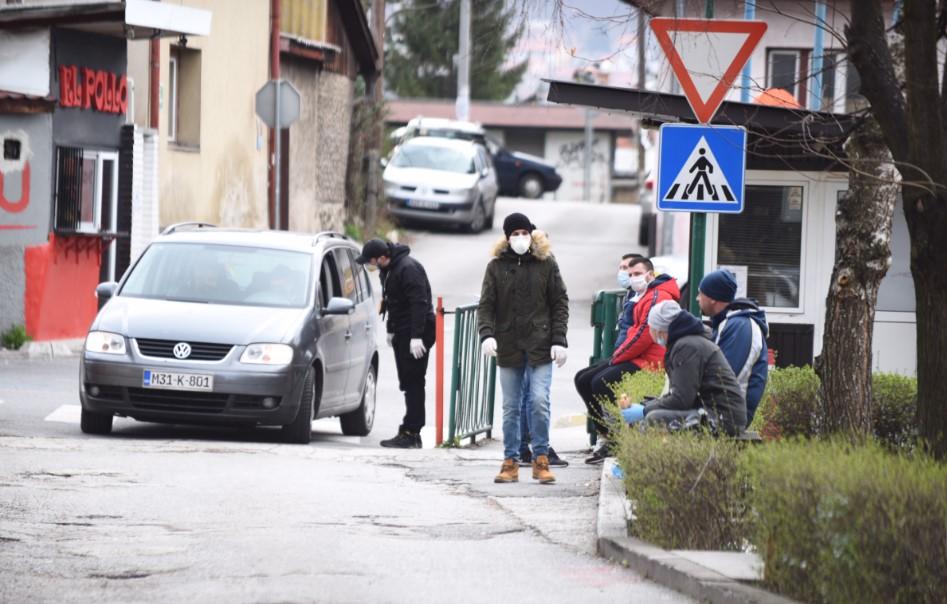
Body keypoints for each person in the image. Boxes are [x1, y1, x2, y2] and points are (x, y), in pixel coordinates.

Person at [479, 213, 569, 484]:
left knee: (539, 401)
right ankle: (510, 461)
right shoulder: (496, 267)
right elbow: (486, 305)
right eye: (514, 234)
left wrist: (559, 339)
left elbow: (560, 302)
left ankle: (541, 458)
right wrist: (487, 334)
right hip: (508, 345)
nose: (520, 238)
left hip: (541, 345)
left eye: (524, 233)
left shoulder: (546, 264)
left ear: (532, 234)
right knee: (511, 406)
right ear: (507, 238)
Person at [579, 256, 680, 464]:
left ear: (651, 275)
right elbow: (634, 331)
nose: (633, 278)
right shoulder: (642, 295)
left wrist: (617, 357)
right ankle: (608, 435)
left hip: (649, 361)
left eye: (637, 274)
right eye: (630, 274)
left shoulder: (657, 296)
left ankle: (616, 440)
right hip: (637, 356)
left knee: (600, 383)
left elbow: (641, 335)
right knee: (583, 379)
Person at [622, 300, 746, 436]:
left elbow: (681, 399)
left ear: (660, 330)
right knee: (652, 411)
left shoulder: (686, 347)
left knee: (653, 419)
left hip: (721, 419)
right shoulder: (687, 343)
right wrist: (647, 406)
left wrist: (644, 411)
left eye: (650, 328)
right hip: (718, 414)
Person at [356, 239, 436, 448]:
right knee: (407, 381)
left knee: (414, 382)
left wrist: (417, 336)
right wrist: (391, 329)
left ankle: (411, 432)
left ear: (382, 257)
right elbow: (392, 301)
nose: (369, 265)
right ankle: (410, 431)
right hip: (403, 331)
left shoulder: (407, 269)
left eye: (370, 261)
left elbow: (419, 303)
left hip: (416, 332)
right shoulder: (389, 269)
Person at [697, 269, 769, 426]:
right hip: (720, 410)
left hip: (727, 415)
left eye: (700, 293)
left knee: (659, 419)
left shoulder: (740, 326)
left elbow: (726, 376)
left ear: (712, 299)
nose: (697, 299)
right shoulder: (729, 323)